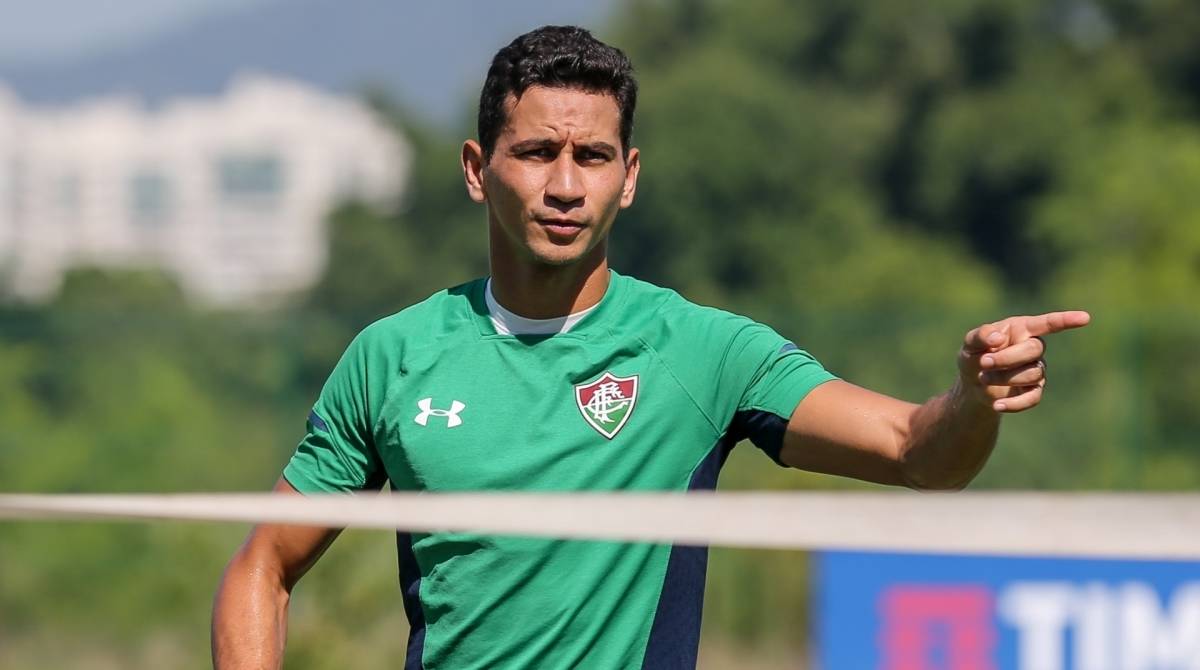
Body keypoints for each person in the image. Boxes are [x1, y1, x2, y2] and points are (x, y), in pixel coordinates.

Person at [211, 25, 1089, 669]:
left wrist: (974, 399)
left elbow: (918, 454)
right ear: (479, 169)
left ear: (628, 178)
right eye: (536, 153)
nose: (563, 185)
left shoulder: (704, 353)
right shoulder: (392, 356)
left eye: (592, 156)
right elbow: (263, 567)